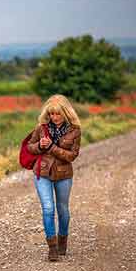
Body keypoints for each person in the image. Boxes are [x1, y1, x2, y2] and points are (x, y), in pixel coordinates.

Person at [27, 94, 81, 262]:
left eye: (57, 114)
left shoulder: (75, 130)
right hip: (42, 173)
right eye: (51, 114)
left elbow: (72, 156)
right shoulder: (41, 128)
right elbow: (30, 147)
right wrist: (39, 146)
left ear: (65, 113)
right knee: (48, 209)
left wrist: (51, 147)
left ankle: (62, 240)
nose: (54, 117)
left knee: (63, 209)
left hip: (64, 174)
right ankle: (52, 247)